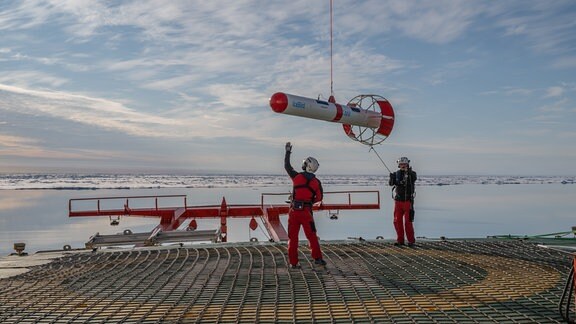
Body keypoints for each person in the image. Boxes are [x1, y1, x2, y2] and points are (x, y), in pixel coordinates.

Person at [284, 142, 326, 269]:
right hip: (306, 213)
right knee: (311, 235)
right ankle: (318, 259)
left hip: (294, 212)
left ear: (306, 166)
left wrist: (287, 152)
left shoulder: (296, 177)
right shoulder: (316, 182)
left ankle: (293, 263)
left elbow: (287, 166)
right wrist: (309, 202)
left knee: (293, 238)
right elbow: (319, 198)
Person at [389, 156, 417, 247]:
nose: (403, 165)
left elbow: (413, 178)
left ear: (408, 164)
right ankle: (400, 240)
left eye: (404, 164)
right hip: (398, 201)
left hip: (408, 201)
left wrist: (408, 172)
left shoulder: (412, 173)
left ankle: (411, 241)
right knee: (397, 221)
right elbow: (391, 184)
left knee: (408, 222)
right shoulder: (396, 173)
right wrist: (391, 178)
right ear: (398, 165)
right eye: (401, 164)